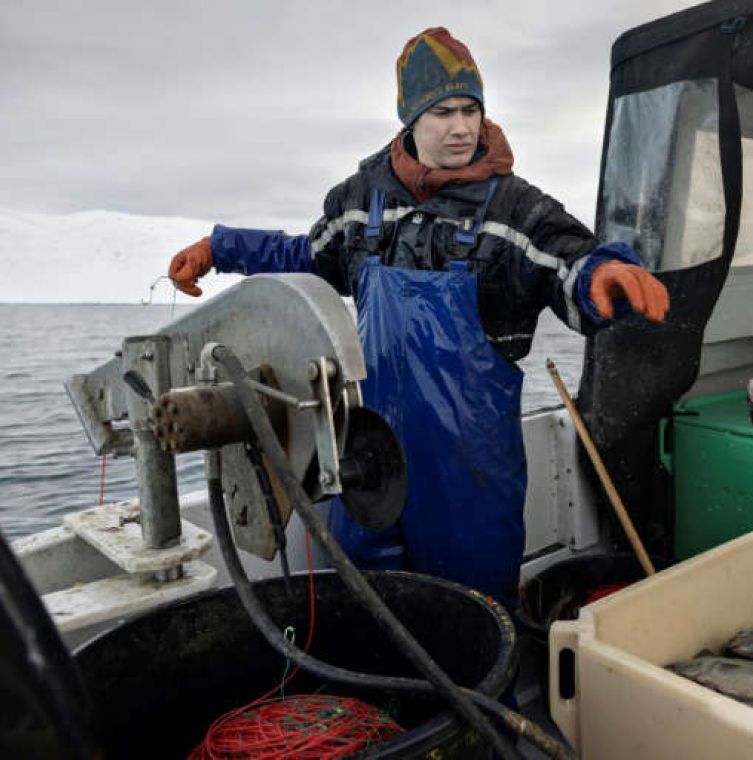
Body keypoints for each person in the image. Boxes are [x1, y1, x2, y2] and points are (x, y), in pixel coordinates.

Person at [167, 27, 669, 613]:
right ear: (409, 119)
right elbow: (308, 257)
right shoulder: (358, 201)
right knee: (370, 613)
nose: (461, 127)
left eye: (471, 110)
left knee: (473, 617)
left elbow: (567, 259)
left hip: (471, 477)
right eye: (443, 112)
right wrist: (221, 247)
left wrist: (600, 274)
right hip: (369, 457)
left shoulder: (515, 210)